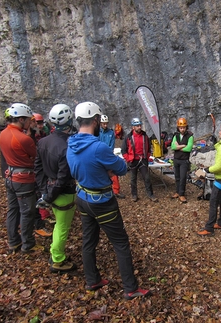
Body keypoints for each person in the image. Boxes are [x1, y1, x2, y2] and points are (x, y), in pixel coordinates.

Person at [66, 102, 151, 299]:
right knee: (120, 243)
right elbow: (121, 168)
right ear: (96, 120)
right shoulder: (98, 148)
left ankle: (92, 279)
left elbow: (75, 170)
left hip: (82, 197)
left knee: (88, 240)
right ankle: (130, 288)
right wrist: (107, 169)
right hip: (102, 201)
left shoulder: (70, 145)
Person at [34, 104, 77, 273]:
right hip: (63, 193)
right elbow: (63, 177)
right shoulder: (67, 146)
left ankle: (55, 252)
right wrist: (49, 195)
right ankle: (57, 259)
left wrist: (44, 190)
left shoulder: (43, 141)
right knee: (62, 226)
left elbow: (38, 168)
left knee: (59, 224)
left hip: (51, 190)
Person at [0, 103, 44, 253]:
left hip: (10, 176)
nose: (29, 123)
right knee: (27, 212)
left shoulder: (3, 134)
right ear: (21, 119)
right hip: (23, 179)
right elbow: (36, 156)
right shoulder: (23, 139)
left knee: (13, 210)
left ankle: (13, 241)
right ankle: (28, 244)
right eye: (27, 120)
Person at [121, 118, 158, 202]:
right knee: (133, 179)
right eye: (137, 126)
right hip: (133, 160)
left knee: (147, 178)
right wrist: (128, 159)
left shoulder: (145, 136)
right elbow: (123, 150)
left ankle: (150, 194)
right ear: (133, 127)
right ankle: (134, 195)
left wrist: (147, 157)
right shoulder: (128, 137)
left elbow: (149, 148)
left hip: (143, 160)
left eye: (140, 125)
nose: (139, 127)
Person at [99, 115, 125, 199]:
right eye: (103, 124)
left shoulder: (110, 133)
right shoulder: (97, 132)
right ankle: (101, 190)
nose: (105, 125)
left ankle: (116, 191)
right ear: (100, 123)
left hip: (108, 154)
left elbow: (111, 145)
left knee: (113, 173)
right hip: (99, 155)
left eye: (106, 124)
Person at [170, 117, 194, 203]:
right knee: (177, 177)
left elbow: (189, 148)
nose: (182, 129)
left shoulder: (190, 136)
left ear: (186, 127)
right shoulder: (176, 135)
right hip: (176, 159)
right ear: (178, 128)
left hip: (184, 160)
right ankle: (177, 192)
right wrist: (183, 146)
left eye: (183, 127)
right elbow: (173, 147)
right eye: (180, 128)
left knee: (183, 177)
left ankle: (182, 194)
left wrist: (178, 147)